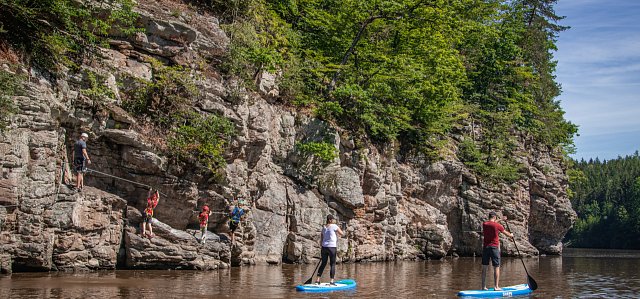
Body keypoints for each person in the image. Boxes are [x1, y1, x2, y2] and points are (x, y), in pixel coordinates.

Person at [481, 211, 514, 291]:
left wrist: (501, 219)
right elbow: (508, 234)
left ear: (489, 217)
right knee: (496, 267)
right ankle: (496, 287)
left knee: (484, 267)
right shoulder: (497, 225)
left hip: (486, 248)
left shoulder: (485, 224)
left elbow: (493, 223)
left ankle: (483, 287)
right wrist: (511, 235)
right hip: (494, 248)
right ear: (495, 217)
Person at [315, 214, 344, 285]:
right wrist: (343, 229)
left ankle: (317, 280)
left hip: (324, 247)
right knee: (332, 264)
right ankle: (331, 281)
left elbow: (322, 237)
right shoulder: (334, 226)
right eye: (333, 219)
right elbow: (342, 233)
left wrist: (322, 245)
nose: (333, 221)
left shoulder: (324, 227)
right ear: (330, 220)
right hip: (332, 247)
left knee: (323, 263)